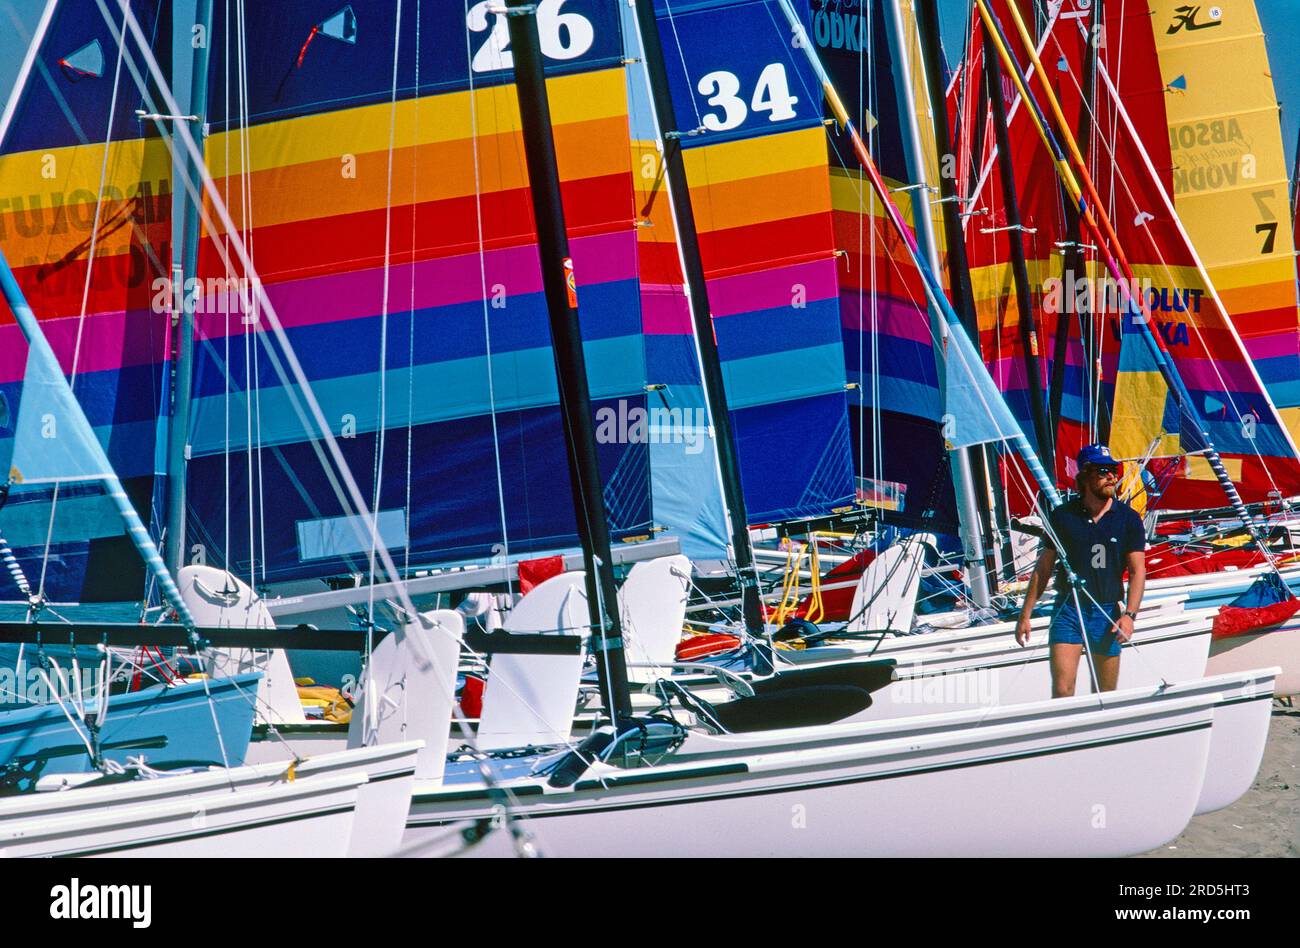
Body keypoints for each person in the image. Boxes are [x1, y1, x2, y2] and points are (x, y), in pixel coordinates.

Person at [1015, 444, 1147, 697]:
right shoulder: (1064, 516)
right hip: (1068, 610)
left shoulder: (1128, 518)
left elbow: (1137, 571)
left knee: (1106, 691)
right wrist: (1025, 614)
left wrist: (1130, 615)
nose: (1112, 476)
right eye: (1103, 471)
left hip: (1107, 610)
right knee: (1063, 690)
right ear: (1085, 475)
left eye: (1114, 471)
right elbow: (1043, 568)